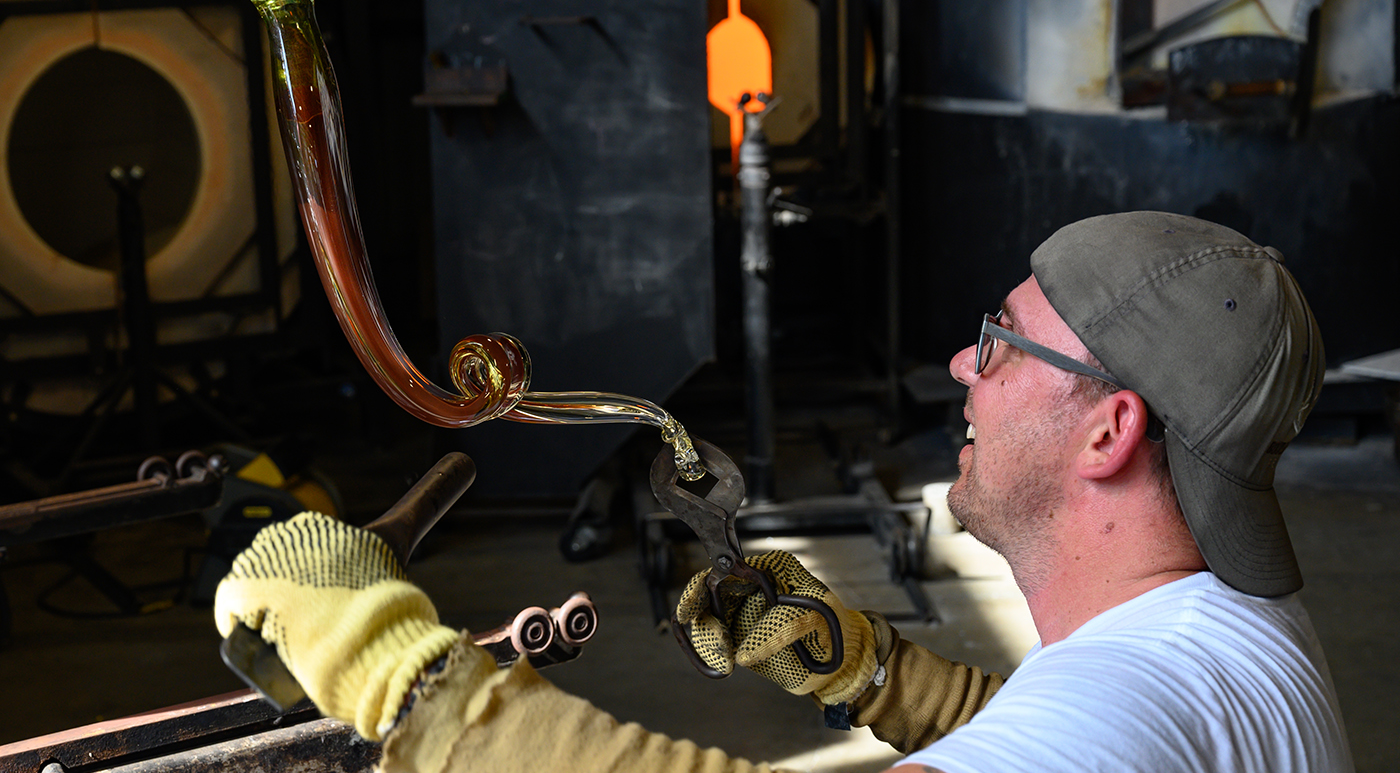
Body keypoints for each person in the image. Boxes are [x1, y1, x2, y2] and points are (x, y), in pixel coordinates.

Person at [215, 211, 1354, 773]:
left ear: (1109, 428)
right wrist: (873, 668)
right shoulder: (1233, 627)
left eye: (1000, 342)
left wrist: (402, 675)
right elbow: (1043, 733)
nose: (963, 365)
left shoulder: (1129, 705)